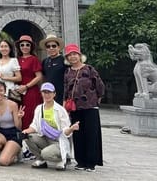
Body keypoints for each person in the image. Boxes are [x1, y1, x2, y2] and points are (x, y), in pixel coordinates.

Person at [64, 43, 105, 172]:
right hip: (75, 107)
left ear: (80, 56)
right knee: (78, 134)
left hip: (90, 106)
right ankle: (80, 161)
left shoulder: (89, 69)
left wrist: (97, 99)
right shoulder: (68, 72)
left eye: (75, 54)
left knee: (91, 134)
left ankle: (91, 162)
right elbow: (66, 89)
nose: (72, 57)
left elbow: (100, 86)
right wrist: (65, 103)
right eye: (70, 55)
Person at [22, 82, 79, 171]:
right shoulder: (39, 108)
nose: (47, 95)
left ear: (54, 94)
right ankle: (41, 160)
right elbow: (35, 126)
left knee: (45, 153)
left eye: (49, 92)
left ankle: (63, 159)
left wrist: (71, 129)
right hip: (45, 138)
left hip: (58, 141)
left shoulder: (60, 110)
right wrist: (25, 131)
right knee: (27, 137)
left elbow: (65, 131)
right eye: (44, 92)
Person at [0, 80, 24, 166]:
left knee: (3, 161)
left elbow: (18, 127)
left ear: (5, 91)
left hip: (14, 133)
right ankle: (7, 150)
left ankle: (16, 151)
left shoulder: (13, 105)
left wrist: (19, 118)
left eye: (1, 90)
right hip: (1, 132)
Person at [15, 35, 43, 132]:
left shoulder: (33, 59)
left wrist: (26, 86)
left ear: (31, 47)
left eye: (27, 45)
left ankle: (32, 137)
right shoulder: (16, 60)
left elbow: (39, 76)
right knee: (20, 114)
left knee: (30, 114)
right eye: (22, 45)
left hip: (31, 91)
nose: (25, 47)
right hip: (19, 92)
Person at [40, 34, 65, 104]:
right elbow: (43, 77)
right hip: (48, 95)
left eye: (54, 46)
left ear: (58, 47)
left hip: (61, 95)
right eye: (48, 46)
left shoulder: (64, 60)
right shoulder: (45, 61)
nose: (51, 48)